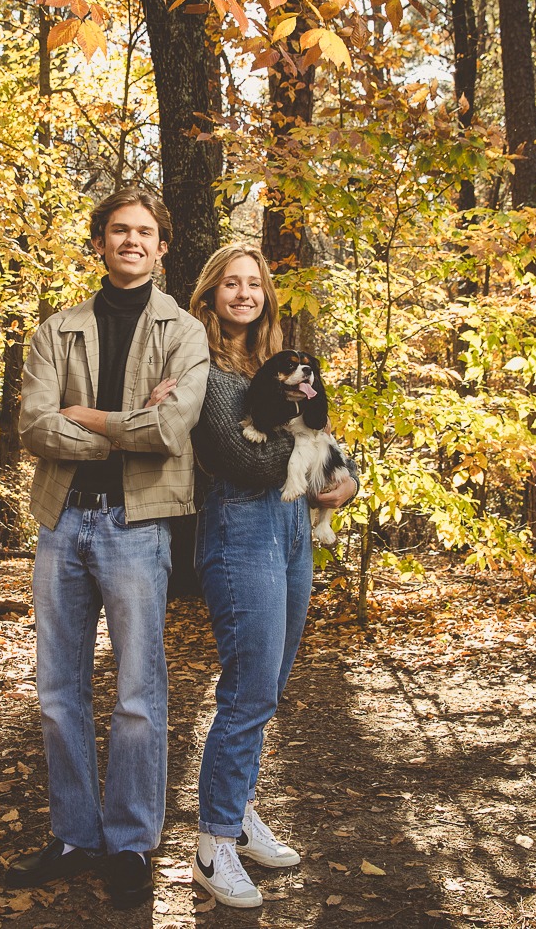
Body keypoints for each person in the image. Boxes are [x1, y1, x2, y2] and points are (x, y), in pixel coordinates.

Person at [8, 188, 210, 908]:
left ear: (162, 247)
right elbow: (34, 427)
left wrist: (86, 416)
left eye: (144, 232)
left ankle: (130, 843)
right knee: (58, 691)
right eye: (118, 230)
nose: (130, 241)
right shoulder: (55, 330)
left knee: (136, 694)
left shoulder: (185, 332)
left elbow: (170, 431)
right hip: (62, 522)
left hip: (138, 526)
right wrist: (129, 421)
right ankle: (73, 834)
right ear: (99, 242)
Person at [187, 242, 358, 908]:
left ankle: (237, 808)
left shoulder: (275, 364)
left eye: (252, 283)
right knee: (248, 687)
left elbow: (323, 440)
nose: (242, 293)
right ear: (210, 294)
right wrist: (309, 441)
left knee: (270, 685)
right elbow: (248, 461)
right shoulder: (201, 366)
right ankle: (212, 844)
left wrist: (344, 475)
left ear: (266, 296)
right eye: (229, 283)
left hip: (291, 529)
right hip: (240, 527)